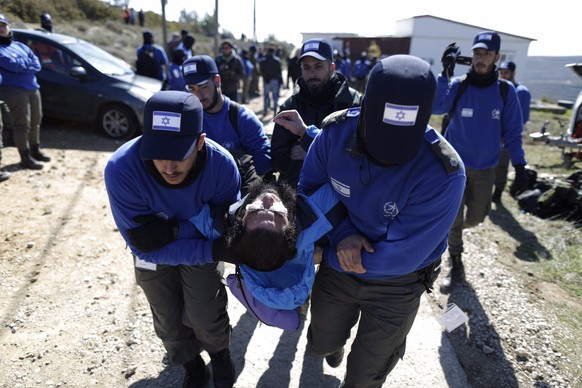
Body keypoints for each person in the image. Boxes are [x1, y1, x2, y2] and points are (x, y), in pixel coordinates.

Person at [274, 54, 466, 387]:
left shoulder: (445, 173)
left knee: (366, 374)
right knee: (320, 342)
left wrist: (327, 255)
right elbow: (310, 190)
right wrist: (345, 234)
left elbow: (400, 256)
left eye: (400, 143)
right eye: (379, 138)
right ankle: (333, 346)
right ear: (364, 110)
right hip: (338, 266)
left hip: (399, 282)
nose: (387, 155)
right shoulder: (335, 134)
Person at [104, 90, 240, 388]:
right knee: (167, 317)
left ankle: (219, 355)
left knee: (204, 311)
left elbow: (224, 230)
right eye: (159, 153)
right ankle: (191, 364)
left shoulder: (222, 168)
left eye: (179, 154)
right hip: (191, 250)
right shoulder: (122, 170)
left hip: (202, 251)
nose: (168, 167)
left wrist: (171, 231)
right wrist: (199, 232)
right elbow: (145, 249)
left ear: (200, 143)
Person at [432, 31, 529, 290]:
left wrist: (520, 165)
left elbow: (513, 133)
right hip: (454, 169)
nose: (480, 59)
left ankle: (456, 237)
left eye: (486, 54)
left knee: (475, 218)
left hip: (486, 168)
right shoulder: (459, 85)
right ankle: (456, 263)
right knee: (454, 220)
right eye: (477, 53)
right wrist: (445, 74)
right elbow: (436, 107)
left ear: (496, 57)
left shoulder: (506, 92)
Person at [270, 38, 361, 187]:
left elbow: (360, 156)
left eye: (318, 66)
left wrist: (311, 153)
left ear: (331, 68)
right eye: (306, 67)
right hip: (298, 193)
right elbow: (277, 159)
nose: (312, 73)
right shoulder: (290, 107)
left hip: (342, 193)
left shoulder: (353, 104)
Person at [182, 55, 272, 194]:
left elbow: (264, 159)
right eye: (192, 89)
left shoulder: (242, 118)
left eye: (203, 86)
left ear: (217, 81)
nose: (198, 95)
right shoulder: (188, 120)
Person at [0, 13, 50, 170]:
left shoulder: (20, 45)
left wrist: (23, 65)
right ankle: (25, 156)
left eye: (3, 25)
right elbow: (12, 65)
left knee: (36, 120)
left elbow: (37, 64)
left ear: (8, 27)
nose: (1, 29)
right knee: (22, 124)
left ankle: (35, 150)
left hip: (32, 88)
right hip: (14, 90)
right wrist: (24, 65)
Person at [493, 60, 531, 203]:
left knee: (502, 165)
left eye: (506, 72)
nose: (503, 75)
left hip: (507, 136)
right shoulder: (498, 88)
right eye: (501, 72)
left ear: (513, 73)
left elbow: (522, 117)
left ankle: (498, 192)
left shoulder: (520, 91)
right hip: (493, 135)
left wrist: (509, 134)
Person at [258, 46, 283, 115]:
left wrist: (264, 77)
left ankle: (266, 110)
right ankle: (275, 111)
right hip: (275, 80)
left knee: (266, 96)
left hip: (266, 80)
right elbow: (279, 71)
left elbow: (261, 71)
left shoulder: (263, 61)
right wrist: (281, 81)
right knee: (275, 96)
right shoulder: (277, 60)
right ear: (274, 52)